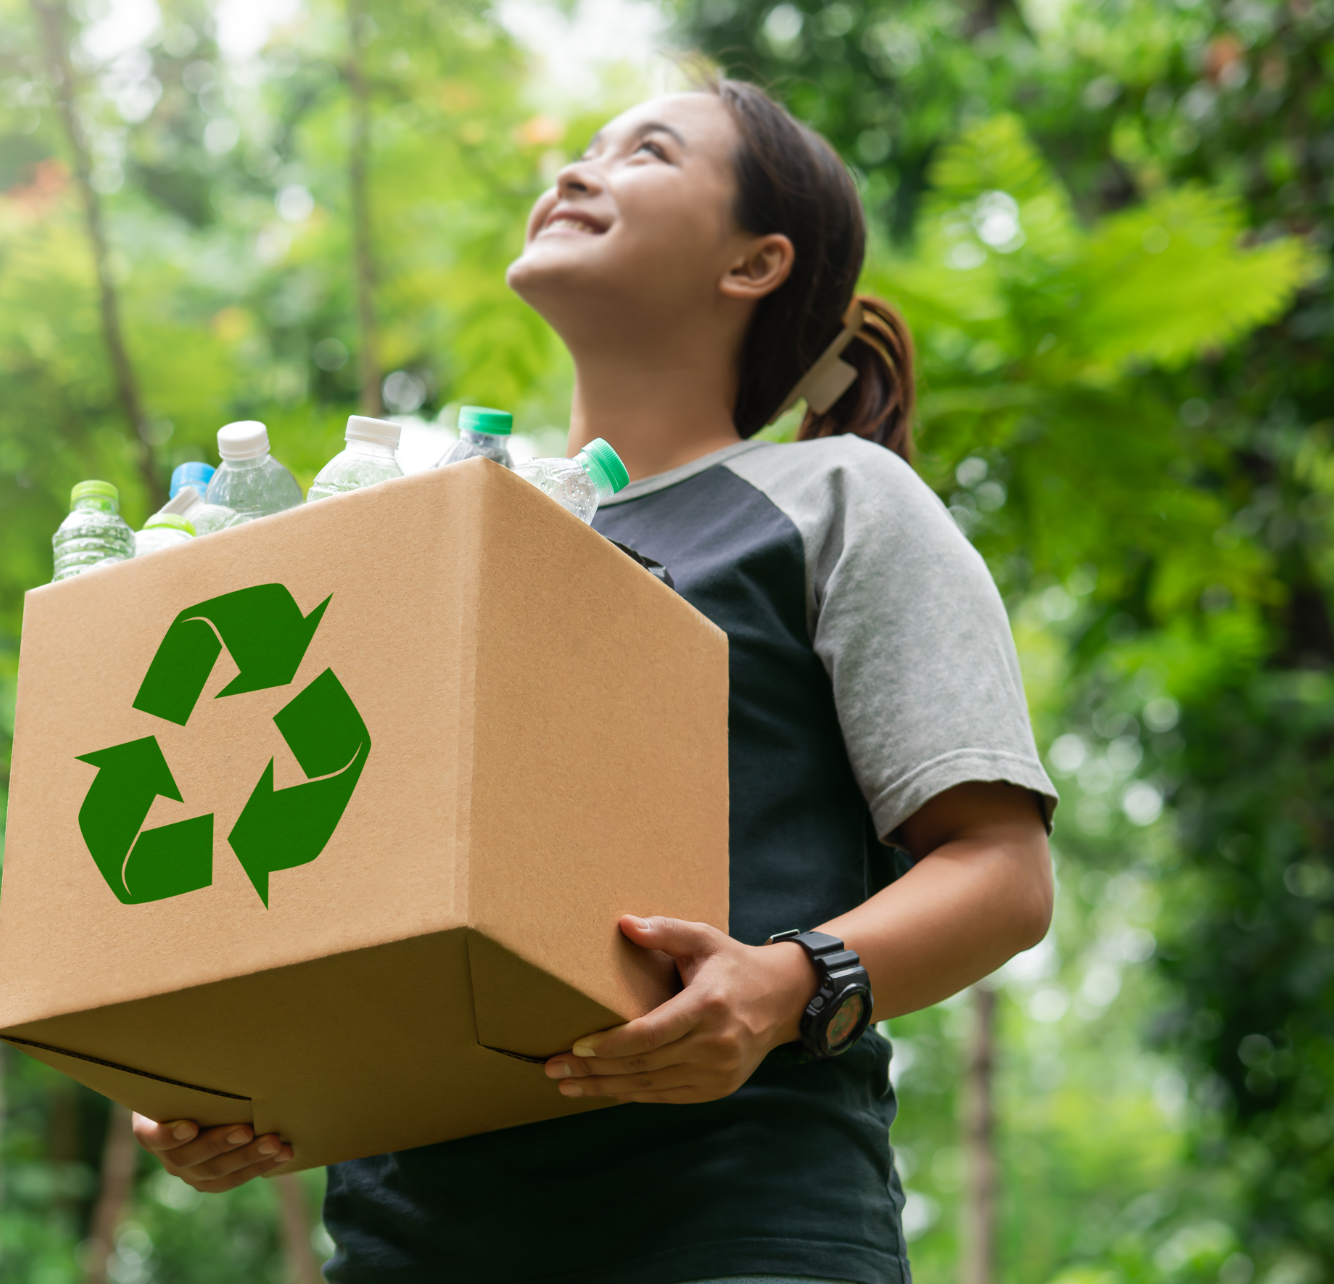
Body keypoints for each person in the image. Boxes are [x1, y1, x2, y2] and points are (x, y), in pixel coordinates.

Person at [131, 77, 1058, 1284]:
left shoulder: (831, 499)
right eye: (576, 152)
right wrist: (224, 1078)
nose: (573, 172)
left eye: (645, 154)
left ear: (753, 262)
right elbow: (325, 872)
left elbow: (1002, 871)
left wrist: (784, 989)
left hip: (736, 1226)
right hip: (411, 1246)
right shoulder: (429, 535)